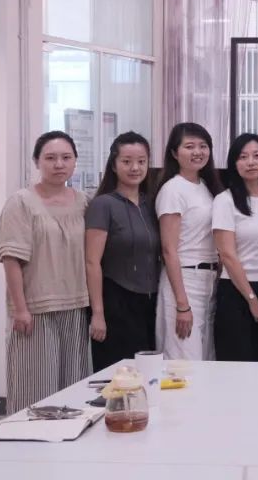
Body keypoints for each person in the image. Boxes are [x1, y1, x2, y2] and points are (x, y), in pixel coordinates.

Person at [0, 131, 90, 413]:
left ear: (75, 161)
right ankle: (27, 441)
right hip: (36, 309)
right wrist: (20, 309)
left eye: (66, 157)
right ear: (37, 162)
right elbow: (11, 258)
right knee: (35, 392)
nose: (59, 164)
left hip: (76, 306)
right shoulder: (21, 202)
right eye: (50, 158)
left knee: (73, 393)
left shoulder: (84, 202)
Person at [85, 131, 161, 372]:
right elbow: (91, 262)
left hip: (150, 301)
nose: (135, 168)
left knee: (146, 374)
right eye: (126, 161)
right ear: (114, 165)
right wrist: (98, 313)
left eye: (141, 161)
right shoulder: (103, 204)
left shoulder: (151, 203)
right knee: (117, 375)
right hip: (115, 301)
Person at [213, 133, 258, 362]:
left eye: (256, 156)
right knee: (238, 365)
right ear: (234, 164)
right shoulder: (224, 200)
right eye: (243, 157)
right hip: (236, 292)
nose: (251, 162)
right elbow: (227, 255)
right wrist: (252, 300)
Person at [155, 122, 224, 360]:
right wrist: (182, 304)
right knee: (184, 362)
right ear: (174, 153)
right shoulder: (173, 189)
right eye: (189, 146)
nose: (198, 152)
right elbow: (169, 250)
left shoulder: (207, 186)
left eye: (203, 146)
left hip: (209, 279)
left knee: (206, 358)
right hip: (184, 280)